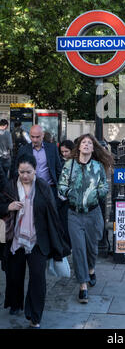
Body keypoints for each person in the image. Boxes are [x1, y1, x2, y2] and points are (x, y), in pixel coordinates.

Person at [0, 154, 70, 328]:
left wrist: (58, 243)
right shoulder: (10, 186)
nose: (24, 176)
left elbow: (53, 216)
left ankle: (35, 316)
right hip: (15, 240)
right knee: (14, 276)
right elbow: (0, 205)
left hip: (38, 241)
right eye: (21, 172)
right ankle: (15, 303)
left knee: (38, 278)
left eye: (28, 172)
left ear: (35, 170)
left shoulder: (43, 187)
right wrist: (8, 207)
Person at [57, 133, 114, 304]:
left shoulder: (97, 166)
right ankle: (83, 285)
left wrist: (97, 193)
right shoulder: (70, 165)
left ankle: (91, 269)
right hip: (74, 214)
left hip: (93, 213)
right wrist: (69, 193)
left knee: (91, 248)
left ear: (93, 147)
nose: (87, 145)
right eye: (84, 143)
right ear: (79, 147)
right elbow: (62, 185)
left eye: (90, 143)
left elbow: (104, 186)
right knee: (78, 249)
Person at [16, 125, 62, 204]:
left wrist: (60, 188)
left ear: (43, 135)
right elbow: (16, 170)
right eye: (32, 137)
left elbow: (58, 169)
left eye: (38, 137)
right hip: (30, 188)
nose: (35, 140)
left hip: (50, 187)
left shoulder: (52, 148)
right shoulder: (23, 150)